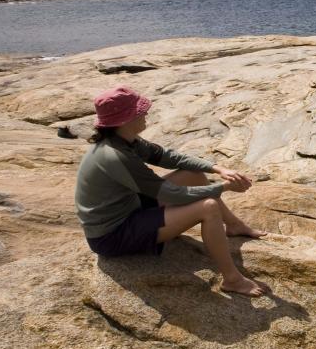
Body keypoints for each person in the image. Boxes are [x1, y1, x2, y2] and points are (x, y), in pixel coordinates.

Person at [74, 85, 271, 297]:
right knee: (208, 207)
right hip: (112, 235)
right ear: (124, 120)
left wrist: (218, 169)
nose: (146, 113)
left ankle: (233, 225)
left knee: (193, 175)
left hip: (129, 208)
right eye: (140, 111)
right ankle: (232, 280)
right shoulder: (114, 155)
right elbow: (172, 195)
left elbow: (169, 157)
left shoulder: (123, 141)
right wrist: (223, 187)